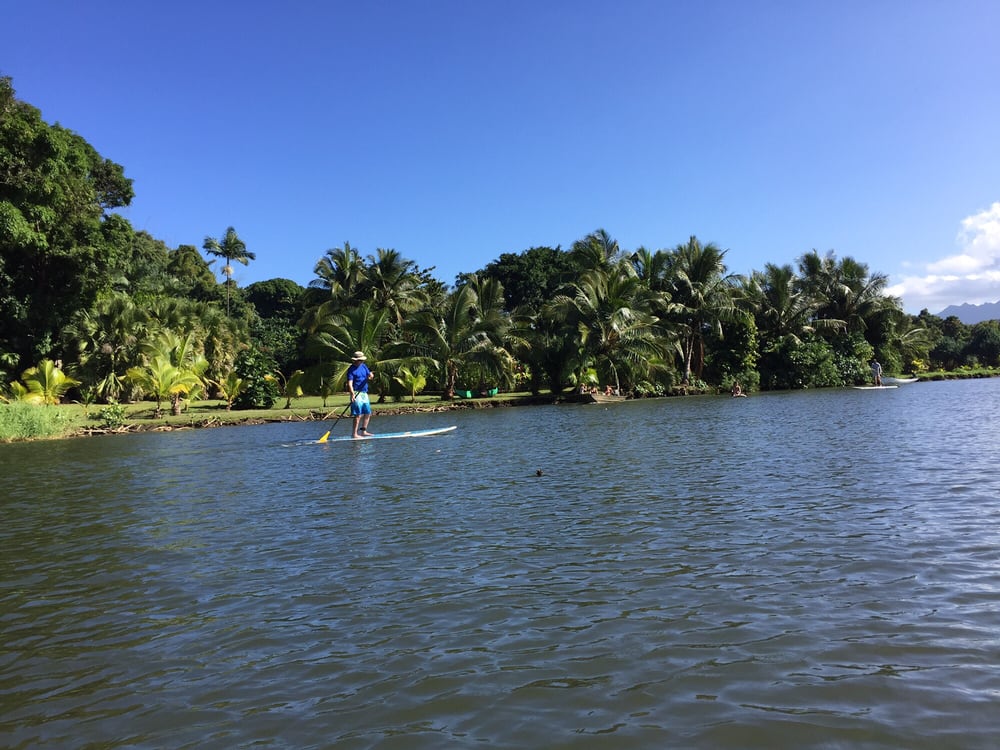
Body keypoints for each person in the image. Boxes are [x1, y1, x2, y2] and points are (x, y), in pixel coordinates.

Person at [346, 351, 374, 438]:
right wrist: (352, 394)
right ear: (355, 360)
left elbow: (370, 374)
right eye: (359, 360)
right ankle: (354, 434)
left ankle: (363, 431)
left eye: (361, 360)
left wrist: (371, 376)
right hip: (356, 393)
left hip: (364, 393)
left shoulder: (364, 366)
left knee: (368, 412)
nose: (361, 362)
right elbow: (350, 383)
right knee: (358, 414)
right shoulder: (351, 370)